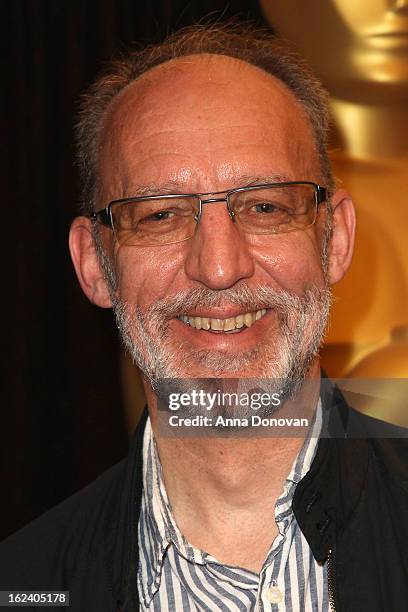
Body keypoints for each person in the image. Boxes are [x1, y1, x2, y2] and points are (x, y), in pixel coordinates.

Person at [1, 23, 408, 612]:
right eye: (161, 216)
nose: (219, 268)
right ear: (94, 263)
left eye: (266, 206)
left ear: (335, 238)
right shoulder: (26, 583)